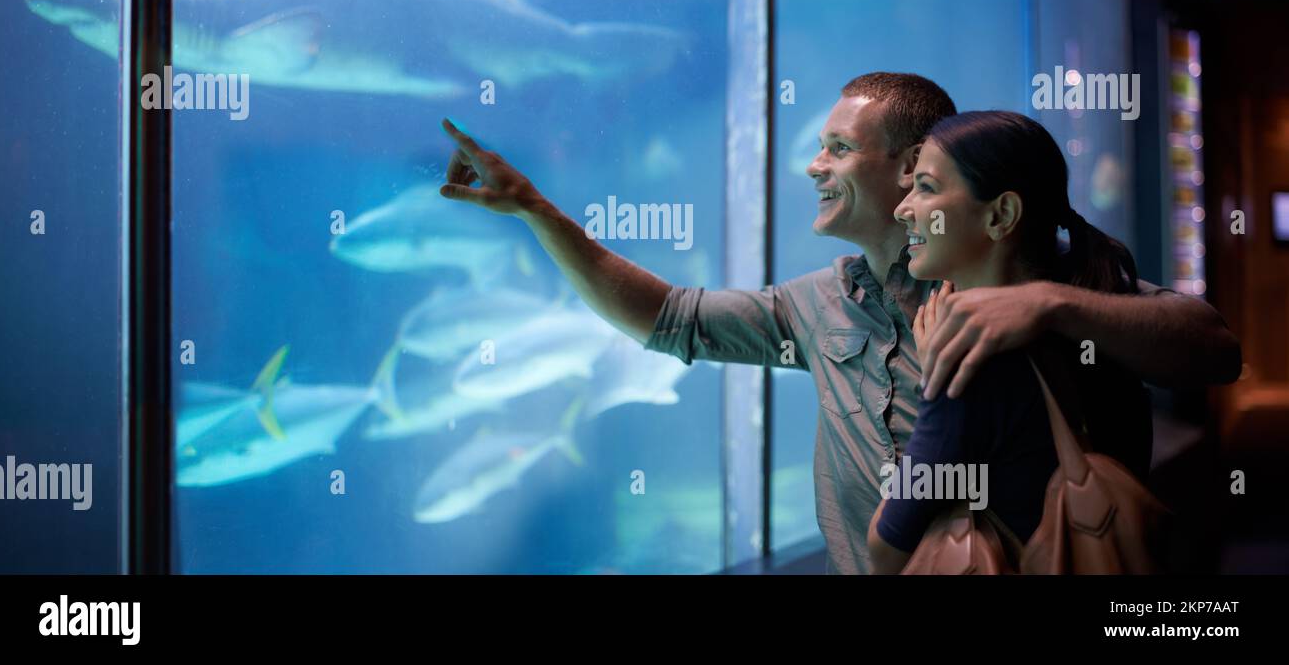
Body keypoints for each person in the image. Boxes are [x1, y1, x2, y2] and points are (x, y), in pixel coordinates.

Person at [438, 72, 1242, 575]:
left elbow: (1214, 349)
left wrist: (1055, 305)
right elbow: (668, 318)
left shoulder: (1041, 282)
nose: (813, 166)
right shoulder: (818, 306)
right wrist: (537, 212)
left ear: (908, 168)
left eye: (837, 147)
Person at [867, 110, 1150, 573]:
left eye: (927, 188)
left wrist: (934, 374)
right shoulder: (1093, 326)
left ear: (1000, 215)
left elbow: (885, 548)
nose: (903, 208)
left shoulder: (973, 365)